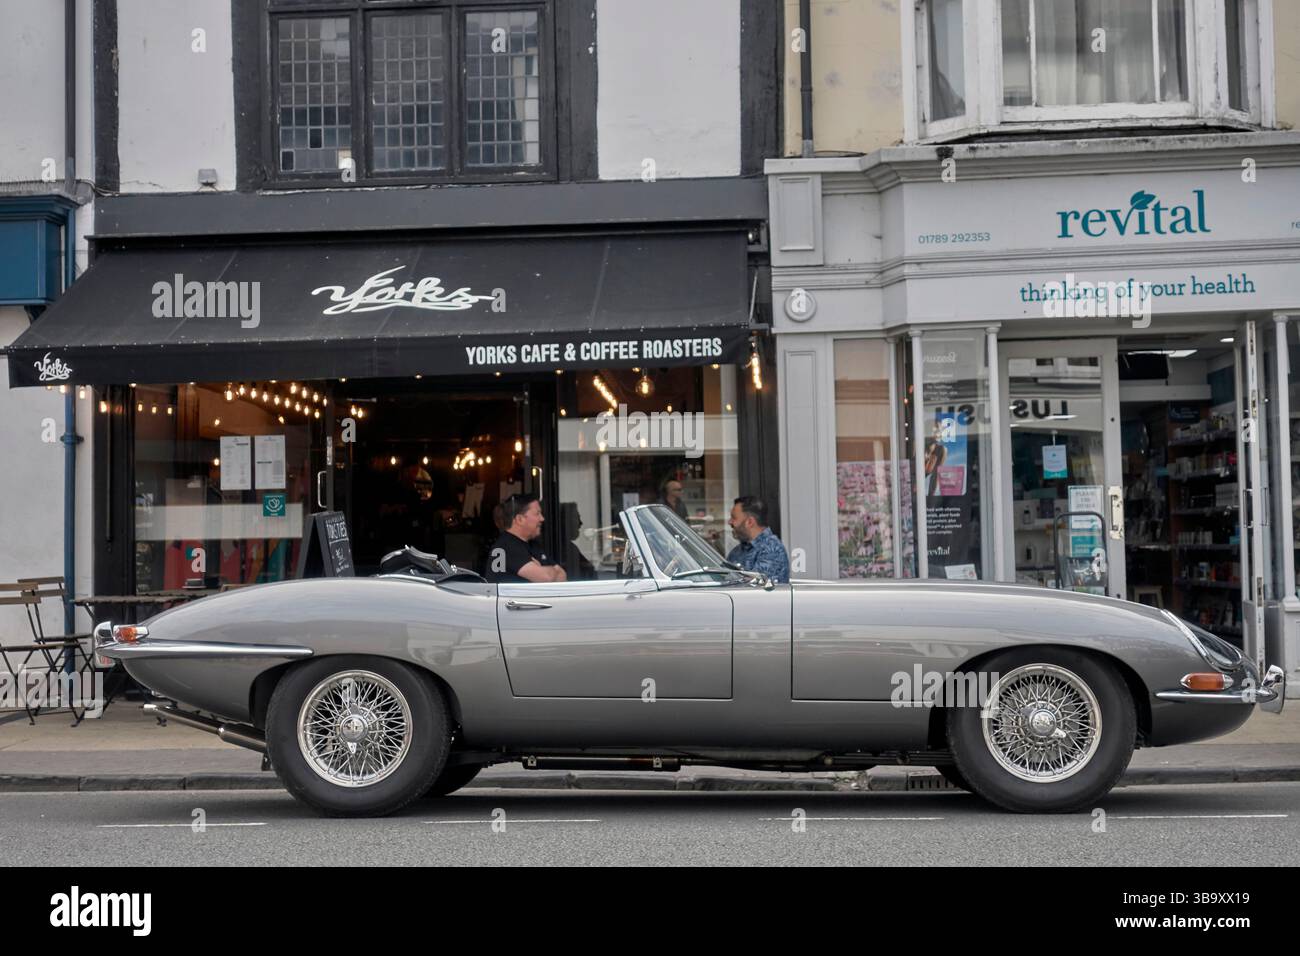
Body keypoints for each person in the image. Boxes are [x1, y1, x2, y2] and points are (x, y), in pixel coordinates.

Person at [485, 493, 568, 583]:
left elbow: (562, 575)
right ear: (520, 519)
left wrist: (542, 570)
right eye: (537, 514)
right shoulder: (506, 546)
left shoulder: (533, 545)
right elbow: (546, 577)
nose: (542, 518)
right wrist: (548, 571)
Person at [726, 495, 790, 583]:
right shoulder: (737, 551)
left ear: (750, 522)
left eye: (734, 517)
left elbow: (751, 587)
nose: (729, 522)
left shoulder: (772, 549)